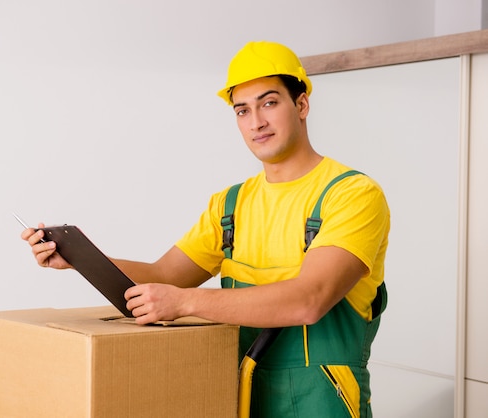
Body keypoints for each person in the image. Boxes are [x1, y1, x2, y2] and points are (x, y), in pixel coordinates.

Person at [22, 41, 390, 417]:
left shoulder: (351, 195)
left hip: (323, 403)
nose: (256, 122)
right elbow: (165, 276)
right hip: (236, 394)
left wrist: (185, 303)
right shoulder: (229, 206)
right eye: (242, 110)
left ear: (302, 105)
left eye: (269, 103)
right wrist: (78, 258)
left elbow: (308, 300)